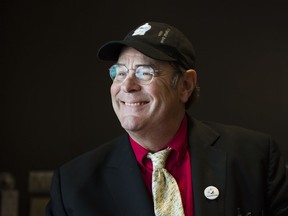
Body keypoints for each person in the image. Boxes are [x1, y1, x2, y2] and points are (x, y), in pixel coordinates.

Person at [45, 21, 288, 216]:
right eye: (119, 73)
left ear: (185, 85)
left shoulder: (254, 157)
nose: (126, 85)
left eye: (144, 72)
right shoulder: (73, 184)